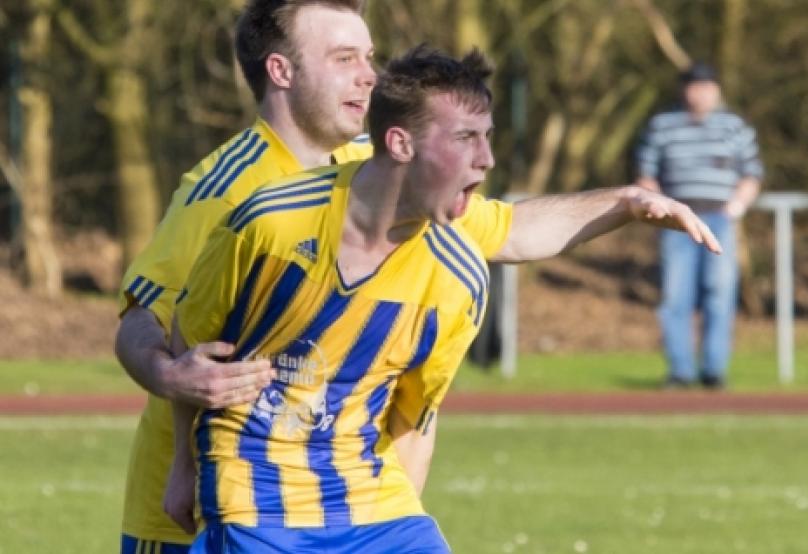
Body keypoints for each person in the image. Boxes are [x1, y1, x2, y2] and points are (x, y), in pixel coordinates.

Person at [164, 45, 721, 554]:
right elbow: (190, 342)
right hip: (254, 504)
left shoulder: (458, 275)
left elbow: (414, 420)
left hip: (377, 508)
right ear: (400, 143)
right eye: (464, 139)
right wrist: (183, 468)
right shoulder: (269, 224)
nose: (487, 160)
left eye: (488, 136)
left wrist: (628, 203)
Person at [114, 1, 376, 552]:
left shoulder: (370, 172)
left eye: (369, 57)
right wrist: (169, 375)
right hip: (187, 522)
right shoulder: (225, 189)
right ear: (281, 71)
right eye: (344, 57)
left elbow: (499, 226)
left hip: (307, 507)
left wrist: (607, 205)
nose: (369, 75)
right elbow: (140, 316)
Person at [635, 62, 764, 390]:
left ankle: (713, 371)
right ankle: (680, 371)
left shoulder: (734, 126)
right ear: (684, 90)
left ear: (717, 90)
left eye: (707, 86)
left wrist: (736, 208)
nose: (701, 92)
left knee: (719, 295)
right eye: (695, 86)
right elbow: (645, 174)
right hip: (677, 223)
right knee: (675, 297)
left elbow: (752, 174)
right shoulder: (662, 125)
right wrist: (664, 210)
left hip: (720, 219)